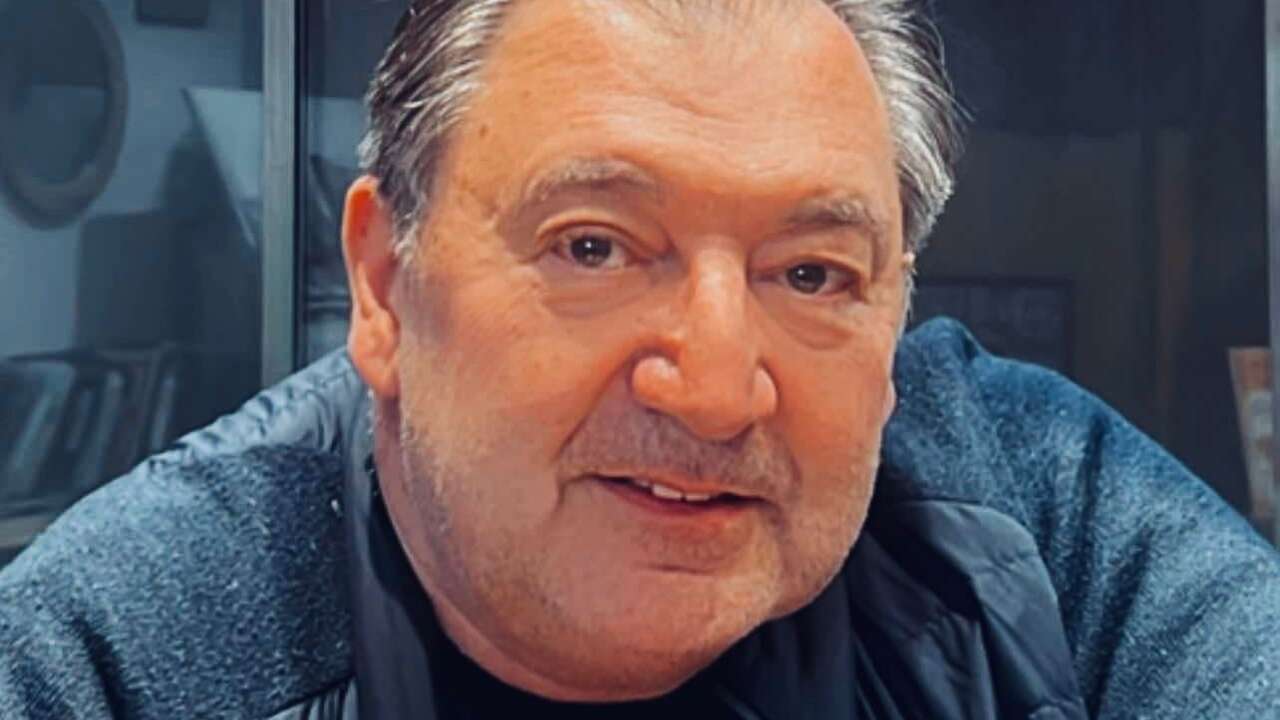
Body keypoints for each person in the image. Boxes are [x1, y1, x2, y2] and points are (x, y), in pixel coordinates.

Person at [2, 0, 1278, 717]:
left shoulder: (1037, 520)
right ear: (385, 287)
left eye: (810, 274)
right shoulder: (117, 656)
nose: (715, 391)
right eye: (594, 248)